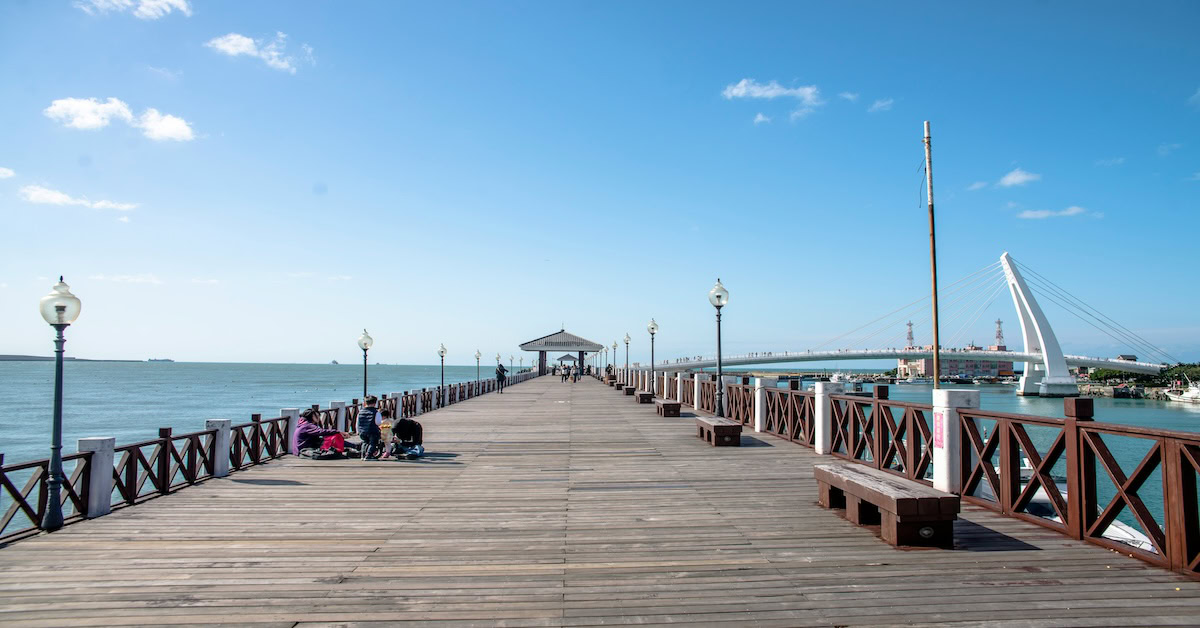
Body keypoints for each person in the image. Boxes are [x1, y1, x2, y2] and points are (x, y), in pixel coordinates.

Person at [357, 395, 382, 459]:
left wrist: (358, 430)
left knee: (365, 442)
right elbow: (378, 422)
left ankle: (362, 455)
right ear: (374, 403)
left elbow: (357, 422)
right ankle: (369, 455)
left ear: (365, 403)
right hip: (372, 431)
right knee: (373, 443)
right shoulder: (376, 412)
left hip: (362, 431)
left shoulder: (360, 412)